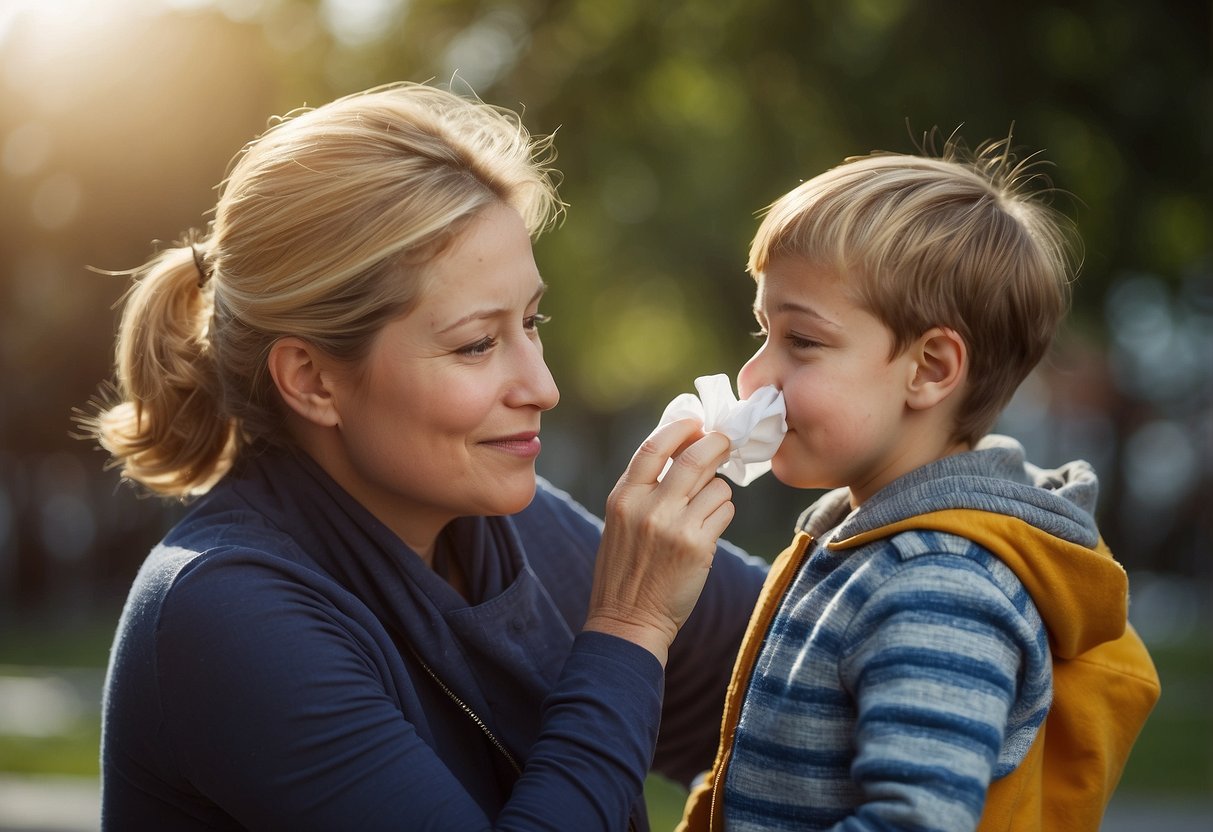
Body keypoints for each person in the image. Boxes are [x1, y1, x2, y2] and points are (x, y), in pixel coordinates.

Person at [82, 81, 767, 831]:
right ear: (312, 380)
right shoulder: (223, 617)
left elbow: (806, 662)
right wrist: (631, 626)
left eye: (531, 322)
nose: (542, 386)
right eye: (476, 344)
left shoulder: (511, 526)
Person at [679, 137, 1161, 831]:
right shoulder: (862, 542)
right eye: (762, 331)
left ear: (930, 368)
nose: (753, 376)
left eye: (801, 341)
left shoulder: (939, 583)